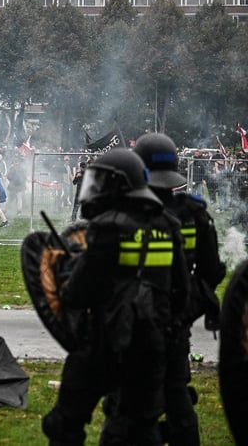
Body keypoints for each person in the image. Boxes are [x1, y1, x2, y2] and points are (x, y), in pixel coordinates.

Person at [42, 148, 189, 446]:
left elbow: (78, 293)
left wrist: (66, 271)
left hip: (104, 343)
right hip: (152, 346)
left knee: (64, 424)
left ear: (116, 185)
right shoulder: (168, 226)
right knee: (139, 427)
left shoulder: (108, 227)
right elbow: (181, 291)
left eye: (99, 182)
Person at [96, 133, 225, 445]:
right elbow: (210, 273)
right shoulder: (195, 214)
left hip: (130, 329)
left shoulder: (125, 216)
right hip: (176, 325)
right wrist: (184, 313)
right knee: (178, 399)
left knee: (124, 406)